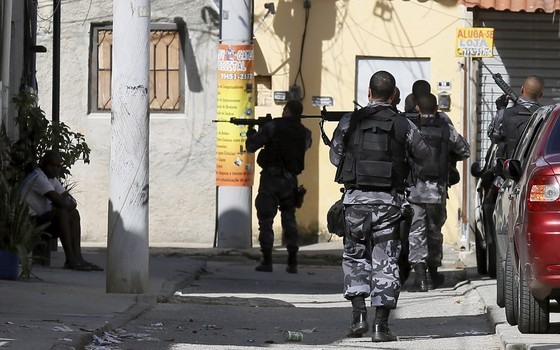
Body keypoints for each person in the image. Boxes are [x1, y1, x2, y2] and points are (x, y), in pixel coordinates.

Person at [329, 70, 431, 342]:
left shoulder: (350, 121)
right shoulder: (403, 125)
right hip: (389, 204)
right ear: (395, 95)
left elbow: (335, 156)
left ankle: (358, 316)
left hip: (355, 204)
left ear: (369, 93)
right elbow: (424, 155)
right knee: (385, 261)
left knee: (355, 257)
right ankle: (380, 327)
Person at [406, 93, 470, 291]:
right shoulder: (445, 129)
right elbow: (464, 150)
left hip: (415, 189)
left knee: (416, 232)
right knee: (434, 231)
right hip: (437, 190)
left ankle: (420, 279)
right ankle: (433, 275)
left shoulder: (410, 128)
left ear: (417, 108)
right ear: (436, 109)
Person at [245, 99, 312, 274]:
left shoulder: (273, 127)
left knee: (266, 220)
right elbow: (301, 148)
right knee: (289, 219)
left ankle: (267, 260)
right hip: (290, 180)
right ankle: (292, 262)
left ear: (288, 110)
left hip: (271, 179)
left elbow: (252, 146)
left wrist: (252, 131)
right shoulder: (305, 133)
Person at [19, 150, 103, 271]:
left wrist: (67, 202)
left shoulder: (51, 179)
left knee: (74, 214)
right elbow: (61, 202)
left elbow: (70, 200)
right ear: (45, 163)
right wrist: (66, 202)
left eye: (59, 166)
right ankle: (70, 259)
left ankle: (78, 258)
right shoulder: (38, 178)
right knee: (61, 212)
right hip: (29, 223)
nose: (57, 169)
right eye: (54, 165)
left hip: (42, 220)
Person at [487, 75, 544, 159]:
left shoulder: (505, 113)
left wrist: (501, 109)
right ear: (541, 95)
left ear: (522, 89)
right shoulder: (546, 115)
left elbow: (495, 137)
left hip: (507, 167)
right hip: (532, 166)